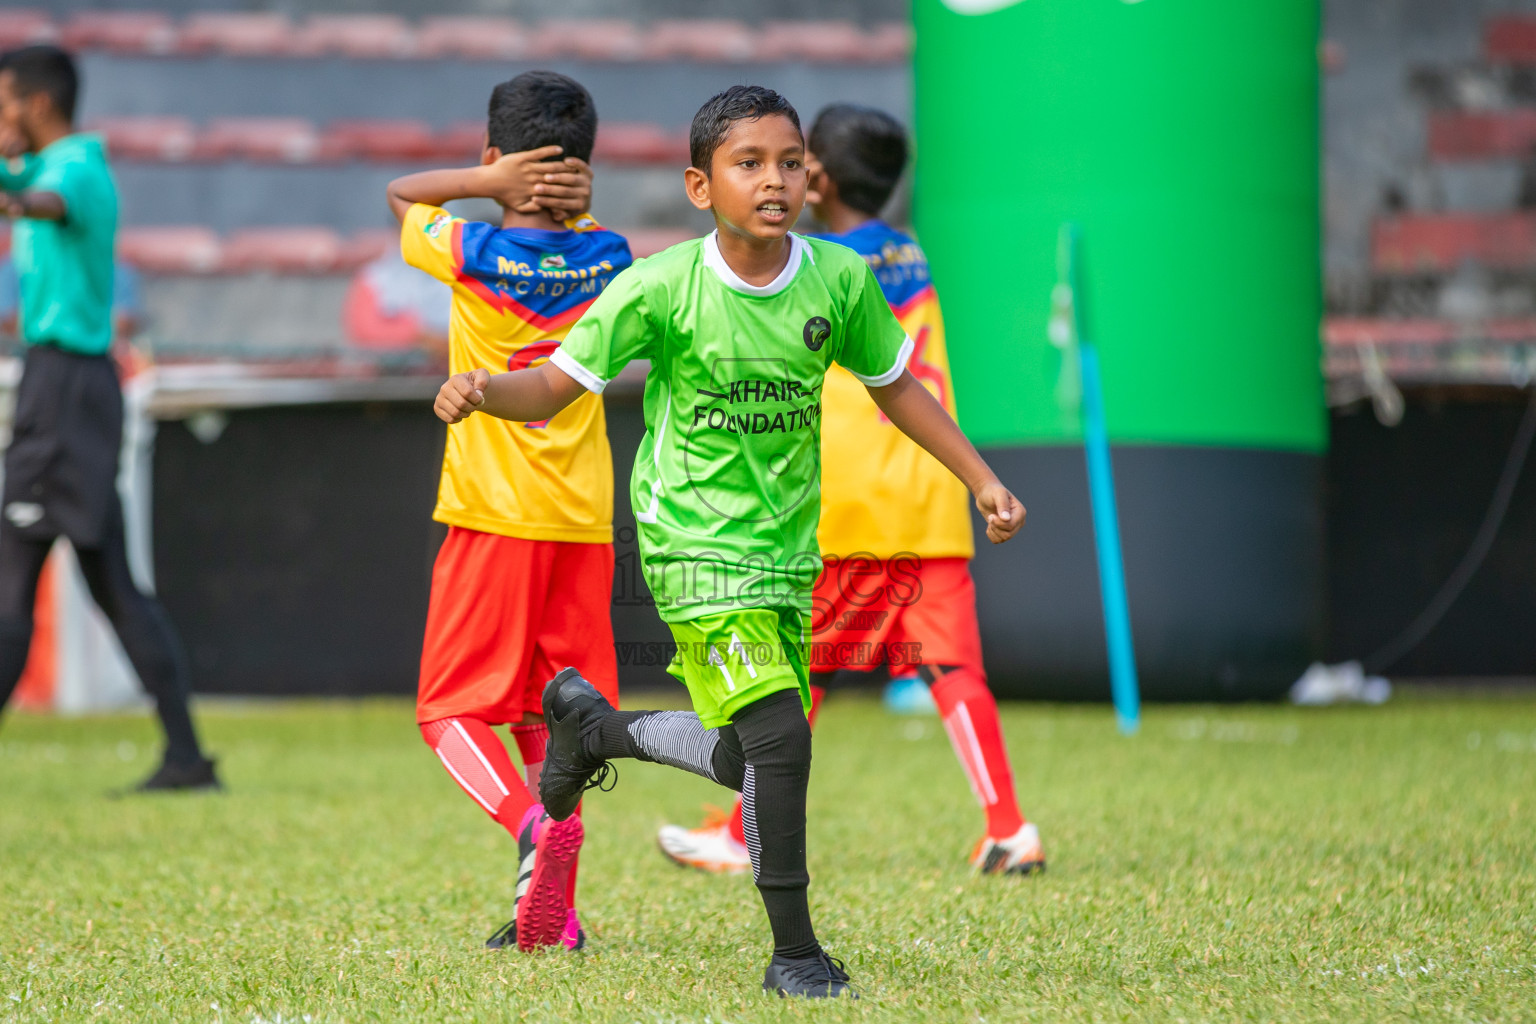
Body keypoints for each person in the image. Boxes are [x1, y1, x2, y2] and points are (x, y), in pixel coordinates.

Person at [432, 85, 1025, 999]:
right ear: (701, 187)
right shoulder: (661, 287)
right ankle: (795, 954)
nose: (775, 180)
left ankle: (595, 730)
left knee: (745, 755)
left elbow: (897, 387)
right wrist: (481, 387)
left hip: (789, 555)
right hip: (692, 549)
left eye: (789, 162)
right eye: (749, 164)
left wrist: (979, 477)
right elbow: (554, 387)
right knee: (784, 739)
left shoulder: (839, 281)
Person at [656, 103, 1046, 877]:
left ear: (817, 176)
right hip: (930, 497)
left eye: (793, 162)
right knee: (952, 670)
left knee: (787, 677)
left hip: (849, 502)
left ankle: (738, 834)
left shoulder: (815, 267)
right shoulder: (908, 251)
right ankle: (1009, 827)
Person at [387, 70, 630, 954]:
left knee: (446, 711)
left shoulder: (469, 250)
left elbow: (399, 194)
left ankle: (532, 828)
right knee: (548, 715)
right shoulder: (612, 257)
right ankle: (555, 918)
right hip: (584, 523)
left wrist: (481, 186)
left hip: (495, 514)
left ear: (497, 159)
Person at [0, 45, 217, 791]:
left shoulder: (76, 171)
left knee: (12, 577)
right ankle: (186, 756)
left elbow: (39, 202)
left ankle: (188, 755)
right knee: (112, 584)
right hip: (72, 387)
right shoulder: (47, 164)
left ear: (33, 103)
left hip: (63, 389)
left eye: (3, 102)